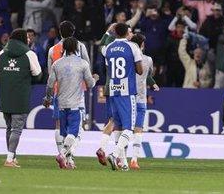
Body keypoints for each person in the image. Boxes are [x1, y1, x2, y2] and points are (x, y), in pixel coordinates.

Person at [44, 36, 98, 169]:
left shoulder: (57, 64)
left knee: (64, 133)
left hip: (61, 104)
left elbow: (50, 84)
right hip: (76, 105)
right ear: (76, 48)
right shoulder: (82, 63)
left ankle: (69, 161)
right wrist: (95, 78)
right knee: (75, 133)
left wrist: (48, 98)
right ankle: (62, 154)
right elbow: (90, 84)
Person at [0, 28, 43, 168]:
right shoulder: (29, 53)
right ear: (22, 38)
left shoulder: (2, 53)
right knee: (16, 129)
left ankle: (12, 156)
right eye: (27, 37)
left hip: (5, 95)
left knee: (9, 128)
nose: (29, 40)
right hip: (21, 95)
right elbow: (38, 74)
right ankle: (9, 159)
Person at [101, 22, 143, 171]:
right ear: (126, 33)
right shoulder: (133, 47)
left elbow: (106, 63)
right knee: (129, 128)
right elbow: (139, 70)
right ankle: (115, 154)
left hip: (112, 89)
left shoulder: (109, 48)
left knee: (117, 124)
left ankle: (124, 163)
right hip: (127, 91)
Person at [47, 21, 90, 156]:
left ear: (60, 32)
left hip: (58, 91)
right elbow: (86, 65)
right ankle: (68, 155)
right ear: (73, 32)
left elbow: (50, 74)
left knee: (60, 125)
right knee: (77, 125)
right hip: (77, 92)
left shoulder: (52, 50)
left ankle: (61, 153)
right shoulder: (80, 47)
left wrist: (48, 95)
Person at [128, 32, 158, 169]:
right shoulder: (148, 60)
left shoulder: (126, 58)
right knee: (138, 129)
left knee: (124, 127)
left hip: (127, 97)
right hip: (140, 98)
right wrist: (152, 83)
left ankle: (120, 157)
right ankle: (134, 159)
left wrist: (153, 83)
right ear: (141, 45)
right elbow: (147, 74)